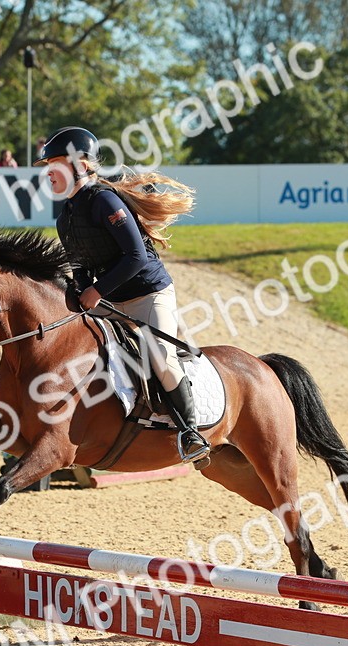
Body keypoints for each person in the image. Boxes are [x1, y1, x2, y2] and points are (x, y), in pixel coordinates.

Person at [34, 126, 208, 465]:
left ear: (80, 165)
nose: (49, 173)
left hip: (148, 292)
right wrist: (82, 288)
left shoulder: (104, 200)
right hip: (112, 301)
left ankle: (191, 432)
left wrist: (96, 291)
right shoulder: (64, 219)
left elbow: (136, 257)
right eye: (47, 166)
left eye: (55, 163)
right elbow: (80, 265)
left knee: (160, 357)